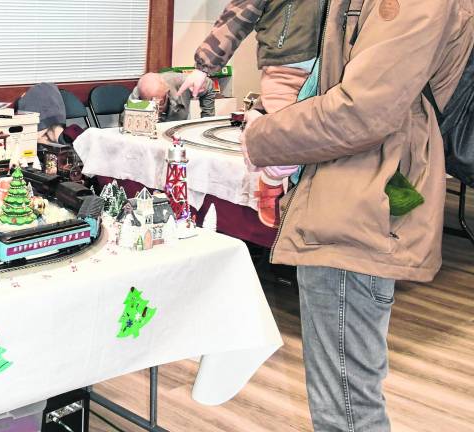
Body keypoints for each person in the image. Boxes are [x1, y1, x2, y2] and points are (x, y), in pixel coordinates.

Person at [241, 1, 472, 431]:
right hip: (358, 189)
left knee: (345, 411)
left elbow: (363, 109)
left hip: (358, 200)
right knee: (344, 401)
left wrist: (263, 138)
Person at [178, 0, 322, 228]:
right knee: (288, 144)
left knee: (318, 141)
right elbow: (238, 14)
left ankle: (257, 116)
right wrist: (204, 66)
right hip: (285, 63)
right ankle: (269, 176)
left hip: (328, 65)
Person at [129, 72, 215, 122]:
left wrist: (206, 120)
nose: (155, 108)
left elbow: (209, 85)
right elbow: (127, 123)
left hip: (178, 130)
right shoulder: (138, 93)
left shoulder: (183, 83)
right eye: (149, 104)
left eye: (160, 103)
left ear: (167, 93)